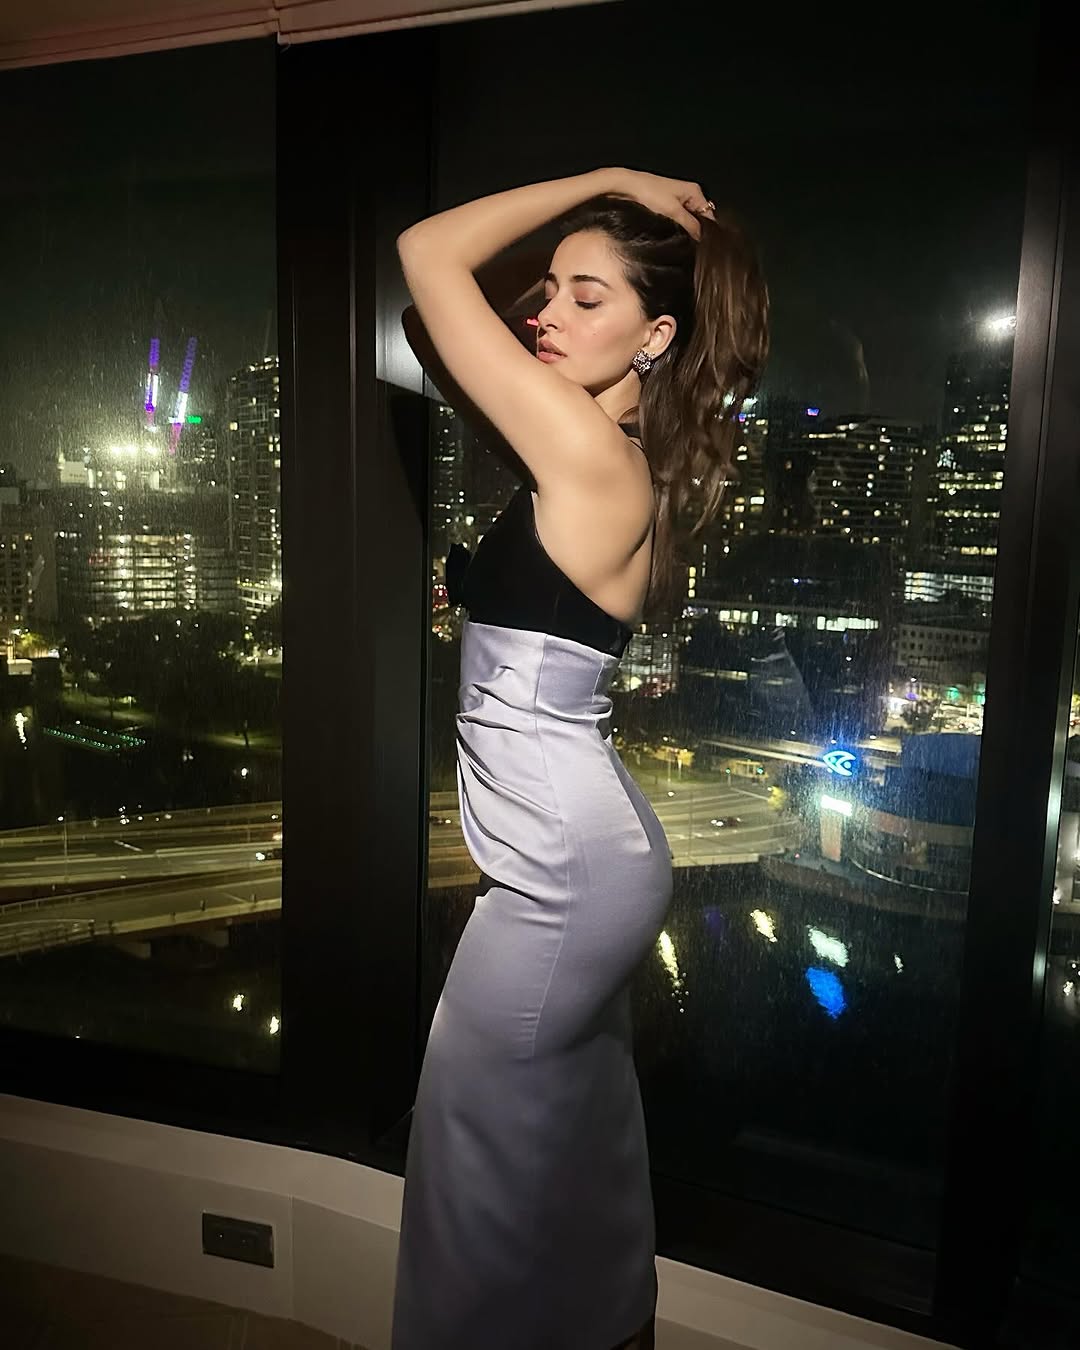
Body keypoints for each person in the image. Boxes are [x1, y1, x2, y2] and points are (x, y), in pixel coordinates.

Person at [390, 167, 769, 1350]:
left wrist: (609, 179)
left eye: (585, 297)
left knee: (469, 1141)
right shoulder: (596, 453)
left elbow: (425, 257)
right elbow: (428, 325)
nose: (545, 311)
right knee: (567, 1131)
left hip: (561, 873)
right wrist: (583, 263)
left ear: (657, 338)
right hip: (579, 854)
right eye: (545, 291)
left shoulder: (586, 458)